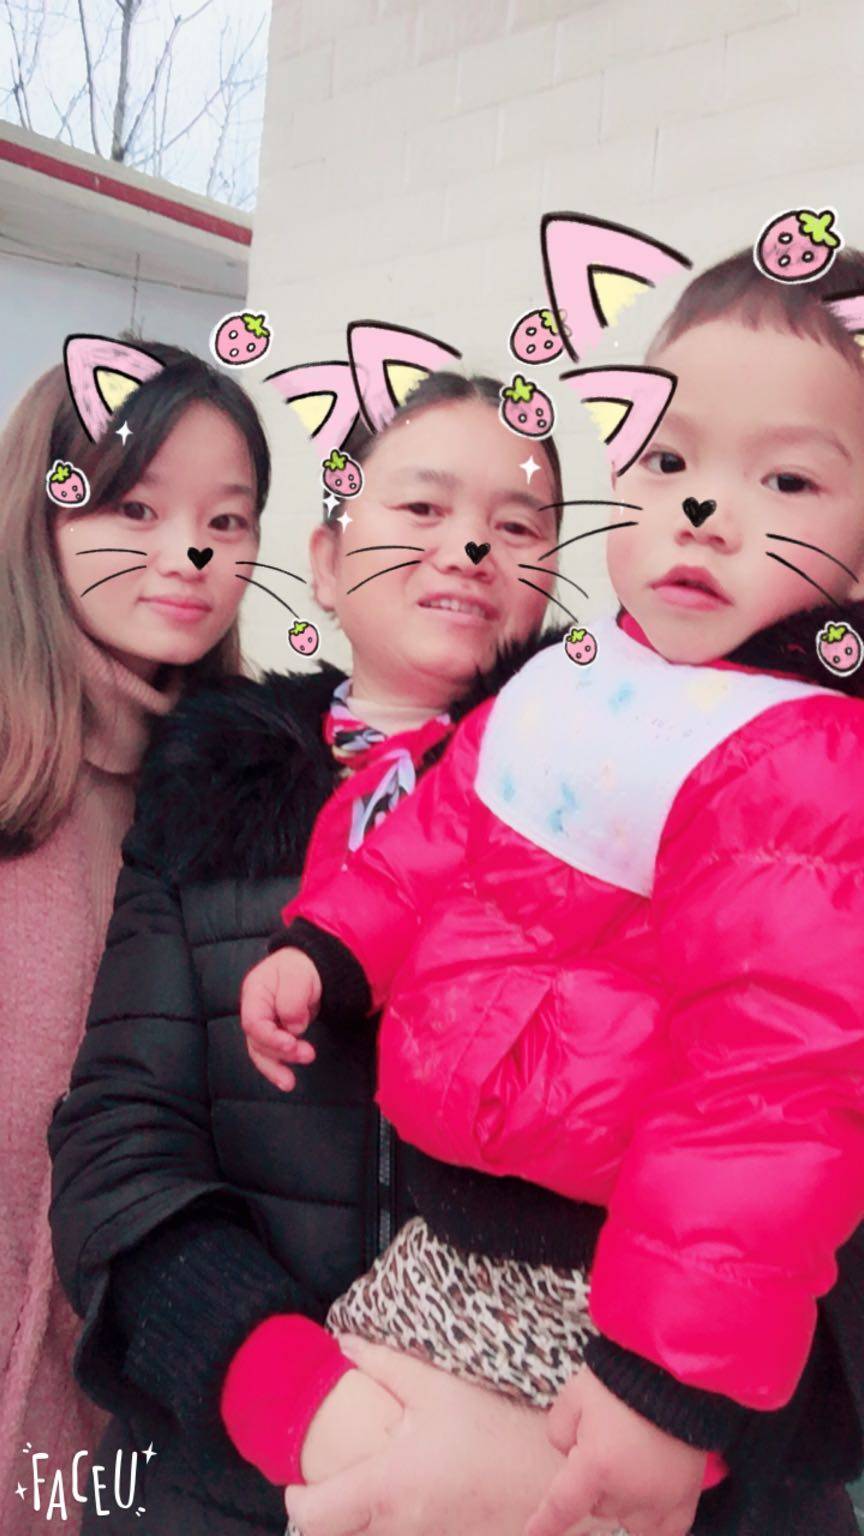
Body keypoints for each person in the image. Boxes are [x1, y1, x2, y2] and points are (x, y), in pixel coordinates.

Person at [241, 252, 864, 1536]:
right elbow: (437, 835)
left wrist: (665, 1382)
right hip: (450, 1223)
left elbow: (771, 1090)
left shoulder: (801, 757)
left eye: (788, 481)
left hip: (604, 1290)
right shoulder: (575, 682)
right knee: (345, 1480)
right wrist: (331, 948)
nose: (705, 511)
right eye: (668, 460)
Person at [46, 373, 596, 1536]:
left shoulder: (621, 802)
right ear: (331, 563)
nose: (469, 550)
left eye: (517, 524)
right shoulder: (205, 791)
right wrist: (303, 1404)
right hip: (225, 1481)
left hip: (547, 1471)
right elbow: (119, 1143)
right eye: (423, 508)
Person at [0, 337, 269, 1535]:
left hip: (128, 1454)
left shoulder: (249, 805)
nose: (188, 555)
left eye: (227, 519)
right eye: (137, 508)